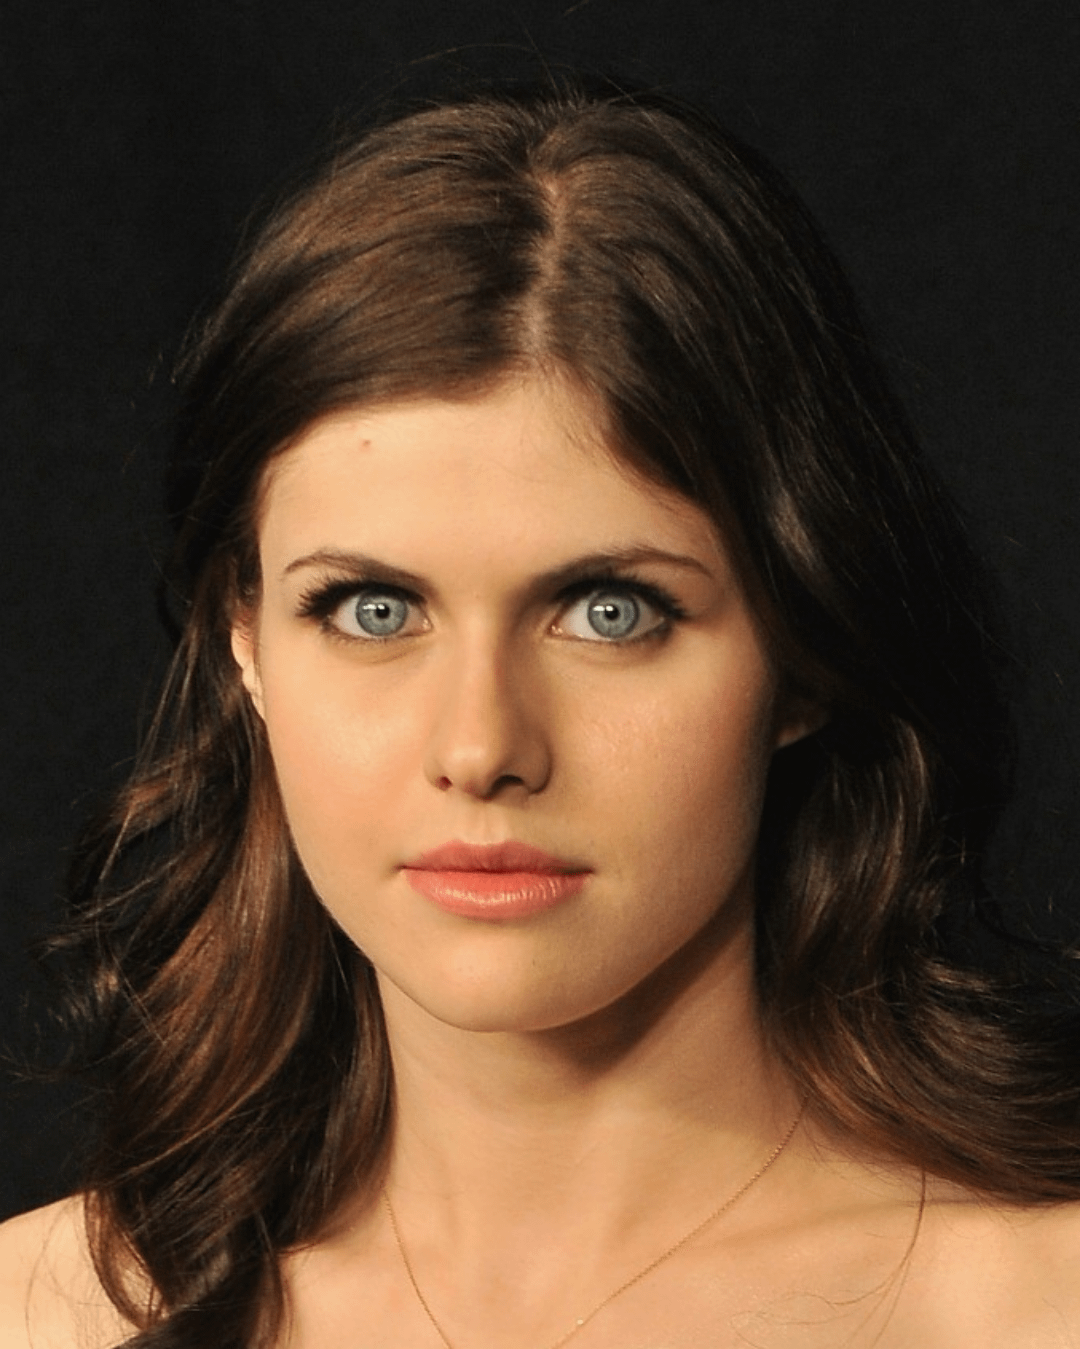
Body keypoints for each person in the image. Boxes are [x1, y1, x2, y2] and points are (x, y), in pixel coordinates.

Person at [0, 79, 1077, 1349]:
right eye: (371, 610)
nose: (481, 747)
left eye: (610, 611)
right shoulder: (43, 1310)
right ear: (246, 638)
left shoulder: (1037, 1300)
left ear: (804, 653)